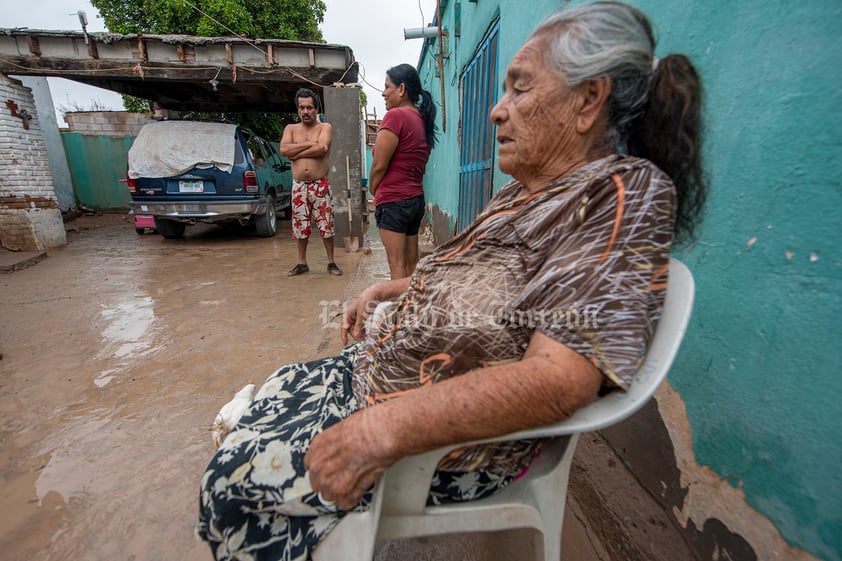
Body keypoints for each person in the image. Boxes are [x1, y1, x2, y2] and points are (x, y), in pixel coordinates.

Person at [196, 2, 707, 559]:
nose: (496, 111)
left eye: (520, 89)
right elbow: (471, 275)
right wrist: (384, 290)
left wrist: (380, 432)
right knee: (274, 388)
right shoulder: (524, 192)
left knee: (229, 484)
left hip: (444, 444)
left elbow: (561, 379)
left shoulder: (620, 197)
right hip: (380, 377)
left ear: (588, 101)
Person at [369, 64, 438, 280]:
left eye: (386, 86)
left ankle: (400, 314)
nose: (383, 92)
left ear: (401, 89)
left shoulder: (396, 116)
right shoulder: (421, 119)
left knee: (397, 267)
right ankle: (414, 311)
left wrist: (374, 190)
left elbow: (379, 165)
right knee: (411, 265)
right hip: (415, 200)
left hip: (393, 201)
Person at [281, 88, 343, 277]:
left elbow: (322, 150)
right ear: (298, 109)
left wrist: (295, 151)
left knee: (327, 226)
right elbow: (284, 151)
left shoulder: (325, 128)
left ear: (316, 109)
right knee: (300, 226)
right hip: (299, 185)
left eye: (309, 107)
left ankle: (331, 262)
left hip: (320, 184)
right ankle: (302, 263)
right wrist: (310, 145)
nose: (305, 111)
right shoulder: (291, 129)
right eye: (302, 108)